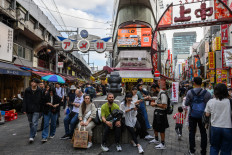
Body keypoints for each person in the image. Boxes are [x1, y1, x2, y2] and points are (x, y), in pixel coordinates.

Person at [185, 77, 211, 155]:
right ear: (201, 83)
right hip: (203, 115)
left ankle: (192, 151)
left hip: (192, 115)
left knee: (192, 132)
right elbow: (209, 105)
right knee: (203, 133)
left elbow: (186, 103)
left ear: (194, 83)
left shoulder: (190, 92)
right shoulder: (207, 93)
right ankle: (203, 152)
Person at [205, 83, 232, 155]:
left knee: (214, 147)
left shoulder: (211, 101)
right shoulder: (230, 101)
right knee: (226, 149)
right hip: (228, 127)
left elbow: (207, 114)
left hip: (215, 127)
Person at [22, 78, 43, 143]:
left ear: (36, 83)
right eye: (32, 82)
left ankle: (31, 136)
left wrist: (41, 109)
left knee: (34, 122)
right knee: (31, 122)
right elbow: (24, 100)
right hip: (29, 109)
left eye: (34, 82)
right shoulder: (27, 90)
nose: (32, 83)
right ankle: (34, 131)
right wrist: (24, 109)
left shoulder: (39, 90)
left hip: (36, 109)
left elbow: (41, 100)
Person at [150, 84, 169, 149]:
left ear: (156, 88)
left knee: (161, 129)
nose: (153, 91)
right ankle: (156, 139)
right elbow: (158, 101)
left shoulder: (163, 94)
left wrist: (155, 104)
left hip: (161, 114)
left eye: (153, 90)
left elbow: (164, 106)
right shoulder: (159, 93)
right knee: (155, 126)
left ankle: (163, 144)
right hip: (157, 113)